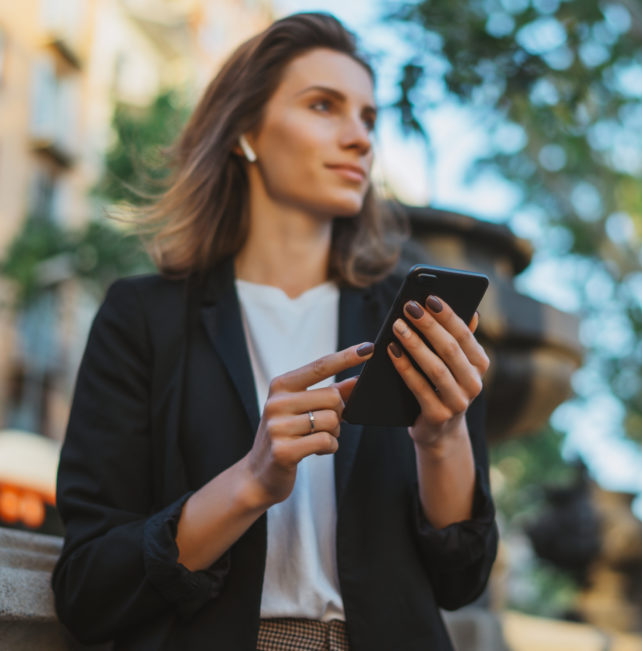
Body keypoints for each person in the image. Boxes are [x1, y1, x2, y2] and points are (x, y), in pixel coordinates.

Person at [51, 12, 498, 651]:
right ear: (245, 132)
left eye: (369, 119)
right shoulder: (143, 317)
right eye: (324, 106)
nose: (359, 138)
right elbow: (88, 587)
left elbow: (462, 579)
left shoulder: (414, 321)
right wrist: (250, 482)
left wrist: (442, 437)